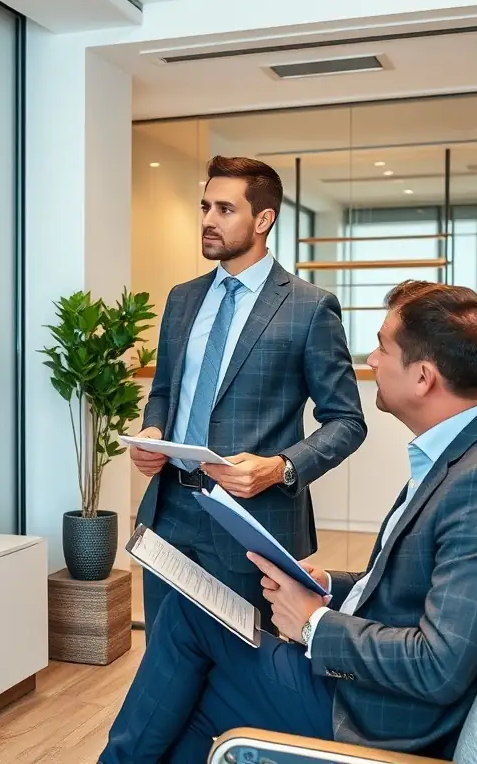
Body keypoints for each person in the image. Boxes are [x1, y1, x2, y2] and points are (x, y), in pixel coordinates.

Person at [102, 281, 477, 764]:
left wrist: (313, 624)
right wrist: (327, 584)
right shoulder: (470, 453)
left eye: (383, 347)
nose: (370, 360)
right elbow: (410, 592)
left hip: (380, 717)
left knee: (187, 656)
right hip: (372, 690)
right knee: (188, 640)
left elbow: (439, 664)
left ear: (424, 377)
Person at [131, 155, 366, 636]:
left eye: (224, 209)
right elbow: (164, 392)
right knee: (163, 655)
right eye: (204, 207)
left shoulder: (309, 307)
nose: (207, 221)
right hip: (170, 511)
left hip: (252, 520)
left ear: (263, 220)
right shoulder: (182, 298)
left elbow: (347, 421)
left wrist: (279, 467)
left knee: (243, 668)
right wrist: (154, 431)